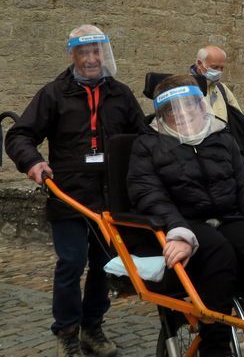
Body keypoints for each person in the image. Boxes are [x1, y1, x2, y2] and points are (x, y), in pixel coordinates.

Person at [127, 75, 244, 357]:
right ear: (163, 115)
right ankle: (215, 346)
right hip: (184, 222)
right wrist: (178, 231)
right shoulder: (147, 145)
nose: (185, 115)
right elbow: (149, 196)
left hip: (226, 217)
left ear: (201, 108)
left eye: (190, 107)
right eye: (175, 111)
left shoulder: (221, 137)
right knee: (218, 251)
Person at [5, 24, 145, 357]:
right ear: (73, 55)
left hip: (109, 198)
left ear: (105, 54)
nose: (92, 59)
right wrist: (33, 163)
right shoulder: (54, 94)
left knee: (104, 264)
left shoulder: (120, 94)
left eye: (98, 51)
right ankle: (67, 330)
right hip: (68, 194)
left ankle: (92, 327)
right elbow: (19, 135)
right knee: (71, 261)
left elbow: (142, 137)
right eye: (85, 52)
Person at [190, 45, 244, 165]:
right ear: (200, 64)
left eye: (221, 68)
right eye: (214, 67)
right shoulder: (185, 88)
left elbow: (238, 115)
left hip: (225, 151)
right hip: (199, 154)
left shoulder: (222, 89)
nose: (218, 71)